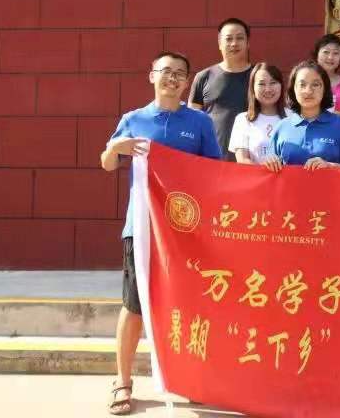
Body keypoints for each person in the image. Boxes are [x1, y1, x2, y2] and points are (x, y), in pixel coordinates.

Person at [100, 51, 221, 415]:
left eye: (180, 74)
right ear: (152, 75)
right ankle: (122, 381)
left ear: (187, 82)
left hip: (187, 232)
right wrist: (115, 148)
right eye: (166, 71)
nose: (172, 78)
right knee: (134, 306)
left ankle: (190, 379)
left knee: (188, 304)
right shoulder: (133, 119)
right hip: (141, 228)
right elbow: (108, 164)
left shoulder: (200, 123)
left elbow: (214, 172)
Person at [266, 60, 340, 171]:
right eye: (302, 85)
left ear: (325, 89)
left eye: (315, 85)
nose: (308, 91)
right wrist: (270, 162)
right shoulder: (282, 127)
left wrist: (331, 166)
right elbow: (269, 169)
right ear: (294, 89)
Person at [188, 17, 252, 160]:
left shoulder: (259, 77)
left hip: (250, 161)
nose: (234, 43)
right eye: (228, 39)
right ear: (219, 44)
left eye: (240, 38)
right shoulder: (203, 77)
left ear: (248, 43)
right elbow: (191, 121)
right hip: (212, 159)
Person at [229, 63, 286, 165]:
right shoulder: (243, 120)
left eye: (273, 83)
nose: (268, 89)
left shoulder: (294, 118)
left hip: (288, 175)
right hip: (255, 175)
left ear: (281, 86)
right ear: (253, 88)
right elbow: (242, 160)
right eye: (261, 84)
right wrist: (265, 169)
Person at [313, 34, 340, 116]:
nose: (330, 57)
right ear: (317, 54)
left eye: (335, 53)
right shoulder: (307, 82)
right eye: (326, 52)